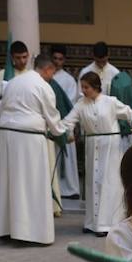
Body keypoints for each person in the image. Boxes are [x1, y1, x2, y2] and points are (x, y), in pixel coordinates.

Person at [0, 54, 67, 245]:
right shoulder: (44, 86)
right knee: (31, 184)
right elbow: (52, 117)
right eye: (52, 72)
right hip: (27, 137)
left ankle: (7, 229)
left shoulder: (13, 81)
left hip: (5, 134)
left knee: (10, 182)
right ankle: (29, 233)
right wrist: (63, 133)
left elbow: (0, 106)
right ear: (48, 69)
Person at [63, 72, 132, 236]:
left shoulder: (110, 102)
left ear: (95, 86)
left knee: (110, 183)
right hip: (92, 147)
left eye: (86, 87)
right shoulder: (81, 104)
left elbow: (129, 113)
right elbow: (68, 121)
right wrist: (67, 133)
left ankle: (109, 223)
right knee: (93, 182)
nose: (83, 90)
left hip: (111, 147)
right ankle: (92, 222)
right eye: (82, 87)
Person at [0, 40, 30, 219]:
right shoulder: (3, 75)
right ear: (12, 58)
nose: (22, 61)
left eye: (25, 57)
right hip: (7, 132)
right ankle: (0, 209)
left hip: (26, 133)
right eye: (18, 58)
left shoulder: (32, 75)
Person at [50, 44, 80, 198]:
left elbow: (71, 102)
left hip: (65, 122)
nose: (57, 62)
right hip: (49, 122)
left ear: (64, 60)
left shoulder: (69, 80)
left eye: (60, 59)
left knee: (68, 157)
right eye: (54, 58)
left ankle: (70, 189)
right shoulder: (47, 77)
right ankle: (54, 188)